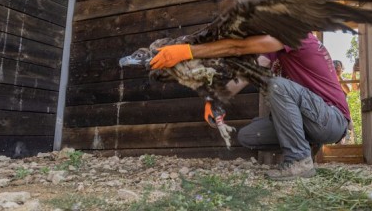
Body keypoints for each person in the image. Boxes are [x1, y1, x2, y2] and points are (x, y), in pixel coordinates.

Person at [150, 33, 350, 181]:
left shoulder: (296, 34)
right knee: (249, 135)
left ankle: (299, 160)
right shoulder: (276, 51)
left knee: (277, 85)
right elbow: (248, 73)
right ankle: (306, 149)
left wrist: (188, 51)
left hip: (332, 119)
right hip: (312, 121)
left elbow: (238, 47)